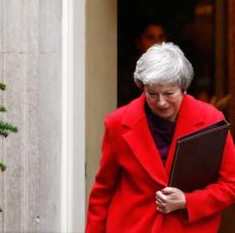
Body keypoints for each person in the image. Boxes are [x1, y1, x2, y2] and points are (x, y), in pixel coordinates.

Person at [86, 42, 235, 232]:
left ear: (183, 87)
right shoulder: (117, 124)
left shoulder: (211, 120)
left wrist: (188, 201)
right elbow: (103, 191)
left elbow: (230, 184)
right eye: (152, 94)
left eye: (169, 93)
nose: (161, 102)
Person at [118, 22, 166, 106]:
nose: (157, 42)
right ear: (138, 43)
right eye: (150, 38)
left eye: (161, 37)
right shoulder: (130, 75)